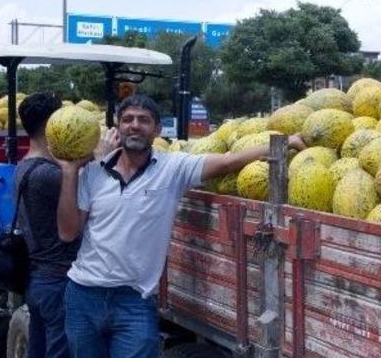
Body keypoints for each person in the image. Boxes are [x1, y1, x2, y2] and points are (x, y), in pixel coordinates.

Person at [56, 94, 305, 357]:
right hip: (84, 295)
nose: (135, 125)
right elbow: (67, 232)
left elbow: (228, 161)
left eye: (143, 120)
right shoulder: (93, 173)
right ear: (118, 127)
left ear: (157, 129)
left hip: (134, 300)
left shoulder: (172, 168)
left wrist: (287, 142)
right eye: (127, 119)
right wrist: (69, 171)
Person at [16, 92, 118, 358]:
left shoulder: (25, 166)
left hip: (40, 279)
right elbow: (90, 201)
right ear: (53, 125)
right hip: (58, 281)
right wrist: (101, 158)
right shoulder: (51, 175)